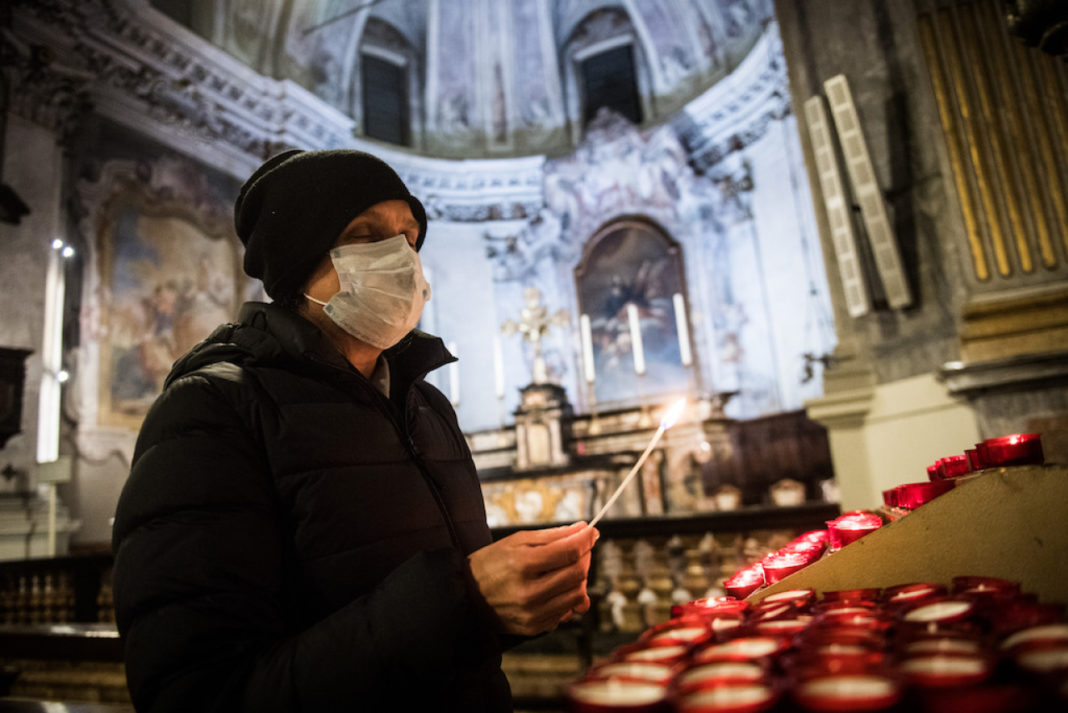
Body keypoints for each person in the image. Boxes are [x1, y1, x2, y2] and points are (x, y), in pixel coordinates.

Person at [111, 149, 599, 713]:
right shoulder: (211, 411)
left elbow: (447, 615)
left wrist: (515, 599)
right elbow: (196, 695)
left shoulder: (428, 406)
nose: (399, 258)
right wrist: (465, 602)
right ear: (299, 262)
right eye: (366, 236)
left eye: (409, 238)